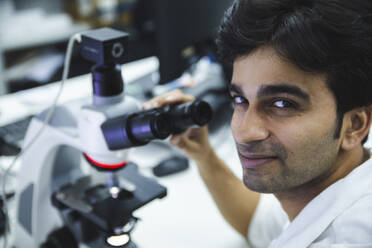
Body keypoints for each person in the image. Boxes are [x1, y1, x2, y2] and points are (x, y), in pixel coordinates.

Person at [143, 0, 372, 247]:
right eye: (240, 100)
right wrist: (204, 154)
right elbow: (260, 226)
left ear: (355, 125)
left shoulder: (349, 238)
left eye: (283, 104)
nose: (244, 133)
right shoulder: (323, 190)